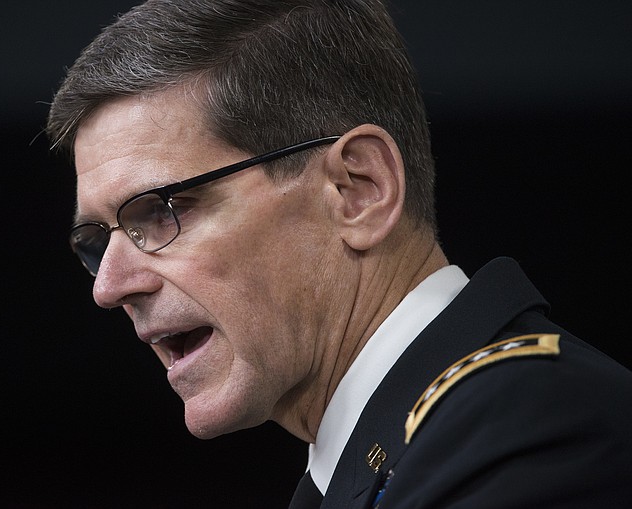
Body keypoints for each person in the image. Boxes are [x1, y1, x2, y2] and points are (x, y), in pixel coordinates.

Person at [46, 0, 632, 507]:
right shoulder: (413, 448)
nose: (110, 287)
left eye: (161, 211)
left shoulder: (529, 432)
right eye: (97, 240)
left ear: (359, 191)